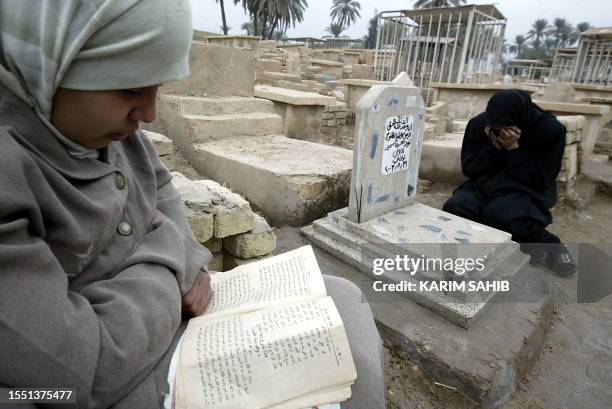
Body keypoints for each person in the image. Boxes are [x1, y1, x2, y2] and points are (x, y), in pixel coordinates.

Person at [0, 1, 385, 408]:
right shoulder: (12, 171)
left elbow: (161, 188)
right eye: (130, 89)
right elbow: (75, 370)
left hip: (156, 331)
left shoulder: (109, 135)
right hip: (112, 379)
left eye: (156, 89)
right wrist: (172, 265)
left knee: (339, 302)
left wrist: (181, 253)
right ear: (51, 64)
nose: (147, 114)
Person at [443, 89, 577, 277]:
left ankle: (552, 246)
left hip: (526, 188)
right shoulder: (479, 124)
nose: (499, 132)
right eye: (495, 127)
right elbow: (470, 168)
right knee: (455, 207)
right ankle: (490, 246)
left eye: (504, 127)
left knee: (499, 215)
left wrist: (513, 150)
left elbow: (541, 179)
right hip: (485, 183)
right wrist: (494, 147)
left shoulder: (549, 130)